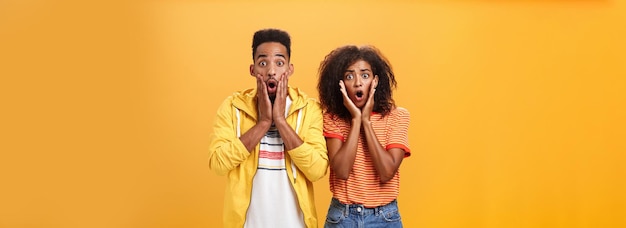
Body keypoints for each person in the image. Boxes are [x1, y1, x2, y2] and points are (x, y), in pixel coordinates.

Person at [208, 28, 329, 228]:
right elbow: (218, 164)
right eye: (263, 63)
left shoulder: (309, 109)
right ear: (253, 69)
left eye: (279, 63)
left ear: (289, 69)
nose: (271, 71)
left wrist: (280, 120)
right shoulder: (232, 107)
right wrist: (263, 123)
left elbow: (317, 170)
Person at [317, 45, 411, 228]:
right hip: (342, 217)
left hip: (385, 218)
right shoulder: (332, 118)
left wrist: (366, 122)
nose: (358, 83)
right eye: (349, 76)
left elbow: (386, 172)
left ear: (375, 81)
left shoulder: (398, 116)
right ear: (340, 84)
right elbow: (342, 171)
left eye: (365, 75)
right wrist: (356, 120)